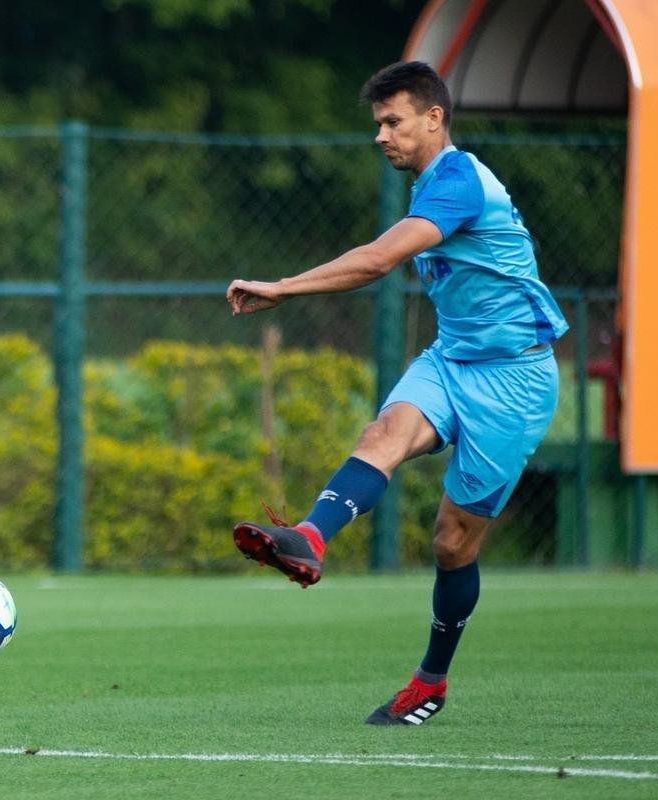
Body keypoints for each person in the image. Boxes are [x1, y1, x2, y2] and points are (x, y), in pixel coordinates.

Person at [225, 60, 568, 726]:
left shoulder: (459, 182)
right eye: (377, 124)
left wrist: (283, 287)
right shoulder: (431, 186)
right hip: (452, 360)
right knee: (381, 435)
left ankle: (431, 682)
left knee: (451, 543)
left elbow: (379, 260)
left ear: (434, 118)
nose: (382, 136)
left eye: (393, 121)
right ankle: (308, 541)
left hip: (516, 379)